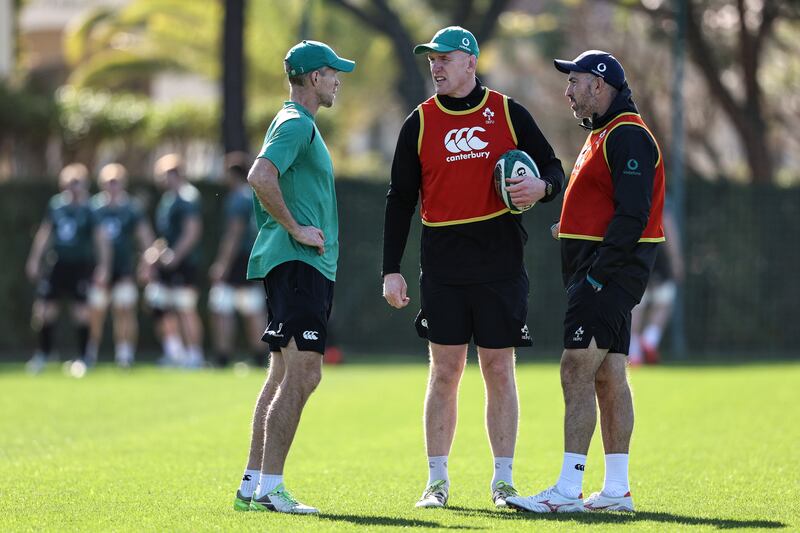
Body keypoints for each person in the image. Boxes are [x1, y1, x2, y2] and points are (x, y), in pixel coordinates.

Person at [381, 26, 565, 509]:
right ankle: (436, 483)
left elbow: (554, 170)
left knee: (499, 369)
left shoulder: (507, 112)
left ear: (471, 62)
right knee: (444, 372)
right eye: (431, 61)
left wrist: (541, 189)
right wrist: (390, 269)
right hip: (442, 262)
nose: (436, 67)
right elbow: (400, 200)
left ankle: (503, 484)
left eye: (445, 59)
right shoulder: (418, 122)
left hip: (501, 259)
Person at [506, 50, 665, 513]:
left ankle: (568, 490)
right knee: (609, 375)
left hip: (606, 275)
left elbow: (634, 214)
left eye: (574, 82)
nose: (568, 92)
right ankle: (616, 491)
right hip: (603, 271)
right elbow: (608, 206)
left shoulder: (627, 135)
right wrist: (570, 227)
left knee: (575, 367)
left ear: (599, 84)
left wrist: (597, 273)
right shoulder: (604, 134)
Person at [233, 40, 355, 515]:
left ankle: (252, 484)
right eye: (331, 72)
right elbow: (260, 175)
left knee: (284, 373)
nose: (338, 79)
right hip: (297, 263)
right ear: (311, 78)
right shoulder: (295, 123)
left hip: (300, 266)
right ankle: (271, 488)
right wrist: (296, 228)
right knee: (305, 373)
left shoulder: (299, 124)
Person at [25, 163, 110, 374]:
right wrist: (34, 259)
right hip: (58, 263)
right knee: (44, 310)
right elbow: (46, 233)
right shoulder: (56, 205)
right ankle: (44, 353)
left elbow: (101, 239)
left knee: (81, 312)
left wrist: (104, 266)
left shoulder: (90, 209)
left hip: (81, 265)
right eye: (69, 183)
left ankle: (83, 357)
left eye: (77, 183)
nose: (73, 188)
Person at [86, 163, 155, 367]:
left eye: (116, 182)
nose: (112, 186)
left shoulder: (131, 208)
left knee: (124, 309)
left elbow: (146, 238)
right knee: (96, 311)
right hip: (99, 268)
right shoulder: (95, 208)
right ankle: (89, 352)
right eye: (109, 182)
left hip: (124, 268)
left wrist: (148, 262)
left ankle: (125, 354)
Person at [142, 154, 204, 368]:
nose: (163, 179)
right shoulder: (167, 199)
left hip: (183, 263)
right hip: (166, 262)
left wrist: (175, 257)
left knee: (185, 307)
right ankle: (174, 352)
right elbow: (164, 236)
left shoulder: (187, 197)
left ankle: (195, 354)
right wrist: (154, 257)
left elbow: (192, 232)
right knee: (159, 305)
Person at [208, 152, 267, 368]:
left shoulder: (236, 198)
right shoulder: (255, 194)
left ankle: (223, 355)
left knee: (221, 307)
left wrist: (222, 264)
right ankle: (260, 355)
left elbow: (234, 233)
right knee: (253, 308)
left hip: (238, 260)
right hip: (254, 257)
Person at [629, 202, 684, 365]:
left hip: (634, 255)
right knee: (664, 302)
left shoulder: (626, 190)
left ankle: (634, 352)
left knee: (636, 305)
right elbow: (668, 225)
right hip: (657, 255)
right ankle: (650, 340)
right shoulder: (659, 196)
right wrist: (676, 259)